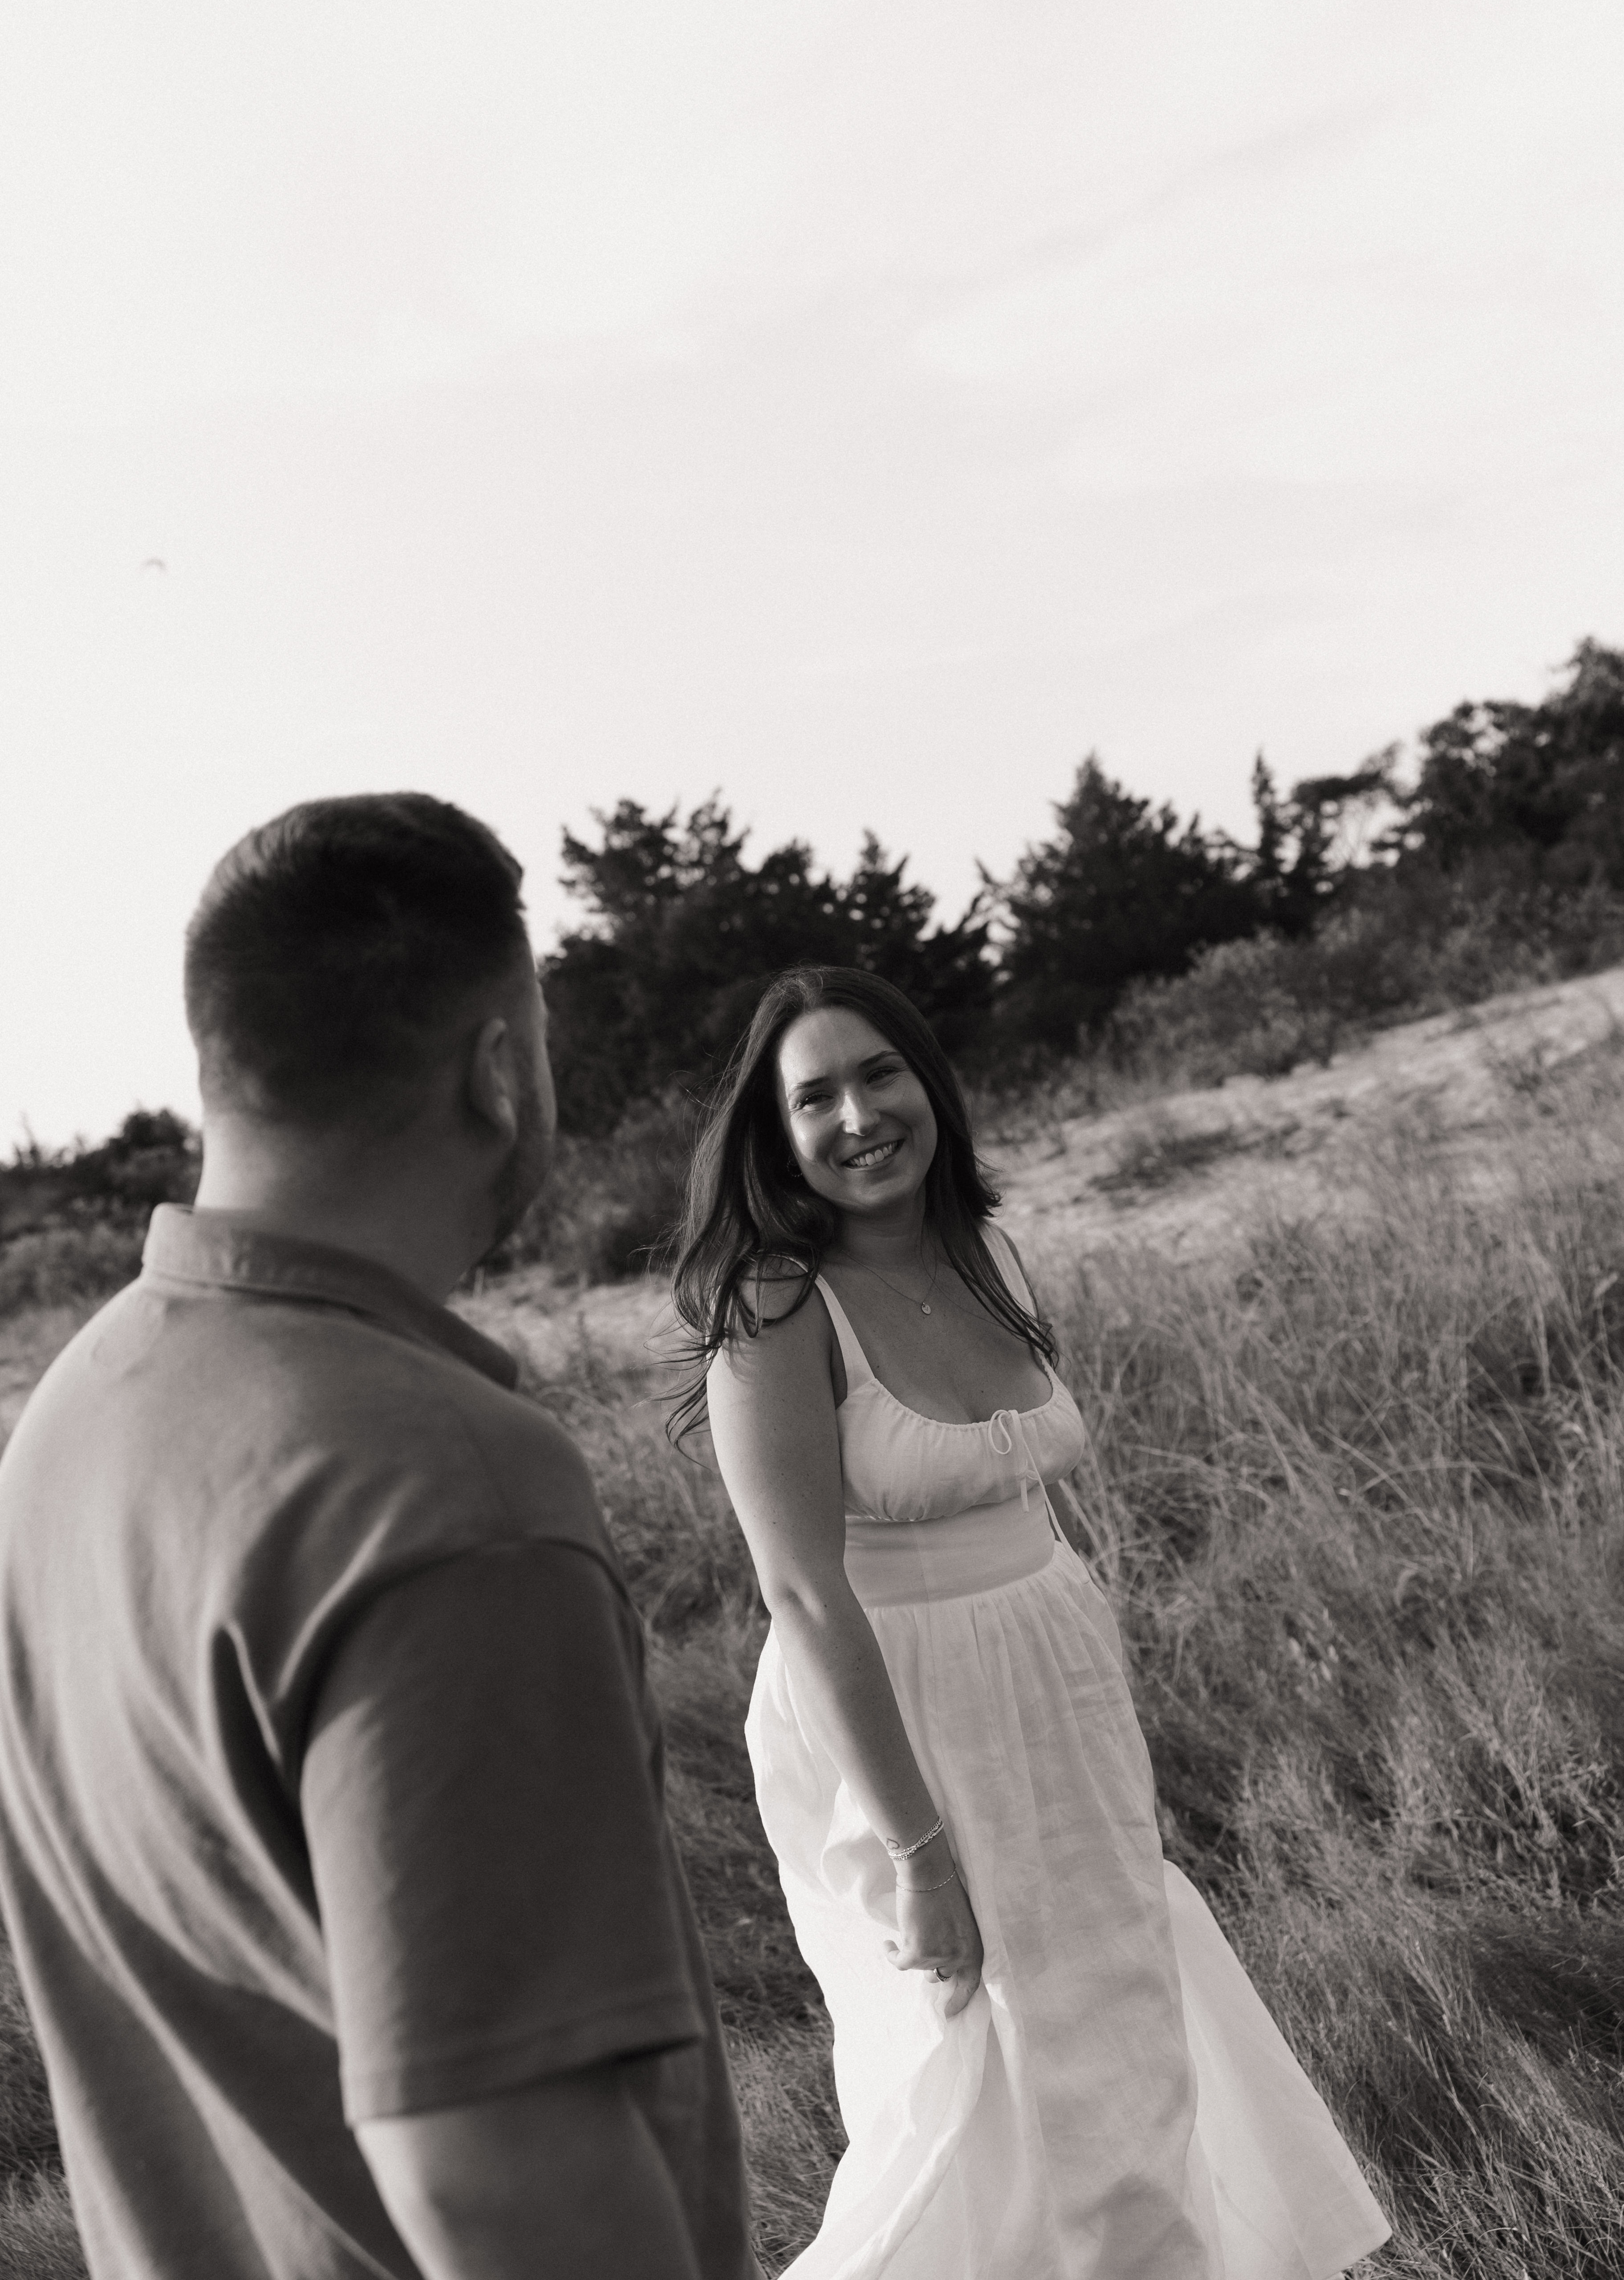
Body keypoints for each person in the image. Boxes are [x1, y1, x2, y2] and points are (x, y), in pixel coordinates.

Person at [0, 793, 758, 2280]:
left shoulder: (72, 1424)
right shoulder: (449, 1494)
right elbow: (501, 2179)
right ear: (497, 1070)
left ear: (224, 1069)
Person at [671, 963, 1392, 2280]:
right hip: (889, 1707)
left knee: (1112, 2021)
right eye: (814, 1097)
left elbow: (1025, 1506)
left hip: (1049, 1672)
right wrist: (920, 1851)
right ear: (776, 1136)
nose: (856, 1117)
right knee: (959, 2062)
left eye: (878, 1074)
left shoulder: (992, 1252)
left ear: (927, 1083)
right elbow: (801, 1589)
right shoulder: (778, 1306)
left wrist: (1083, 1694)